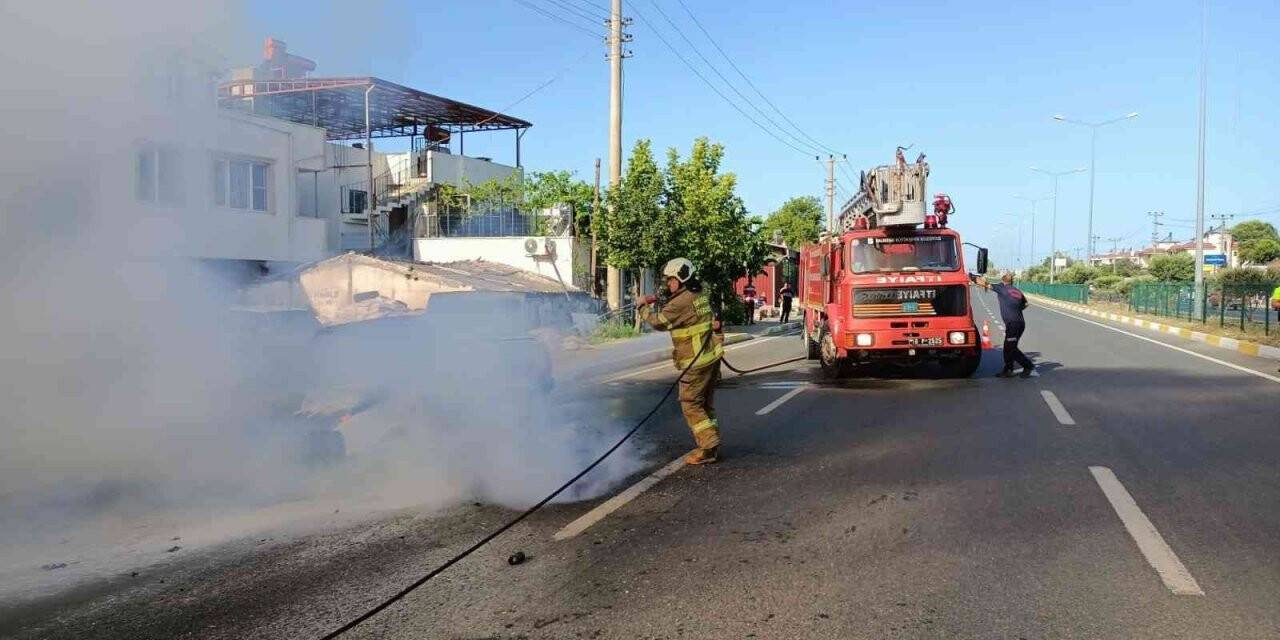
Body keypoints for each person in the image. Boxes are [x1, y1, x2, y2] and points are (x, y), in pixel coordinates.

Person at [639, 258, 725, 464]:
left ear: (680, 278)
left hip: (695, 362)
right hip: (711, 357)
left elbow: (660, 322)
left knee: (690, 405)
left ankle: (708, 447)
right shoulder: (699, 293)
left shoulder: (680, 302)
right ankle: (712, 441)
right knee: (704, 404)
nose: (668, 284)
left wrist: (642, 308)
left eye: (670, 280)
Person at [973, 272, 1035, 378]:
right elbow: (1026, 304)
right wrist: (1016, 309)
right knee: (1008, 347)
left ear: (1002, 281)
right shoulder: (1017, 291)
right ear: (1011, 282)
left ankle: (1028, 365)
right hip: (1020, 323)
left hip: (1013, 324)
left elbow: (984, 284)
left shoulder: (1002, 288)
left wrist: (972, 278)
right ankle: (1008, 369)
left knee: (1010, 348)